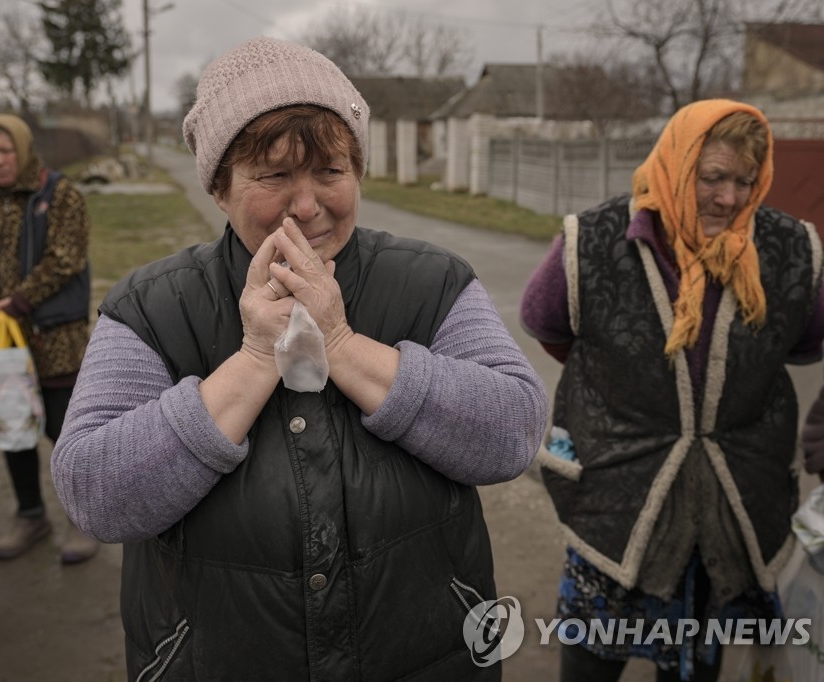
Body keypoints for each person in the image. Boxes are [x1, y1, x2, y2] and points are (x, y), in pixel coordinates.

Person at [51, 37, 547, 681]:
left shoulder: (432, 284)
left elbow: (513, 432)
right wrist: (257, 355)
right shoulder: (152, 308)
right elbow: (95, 493)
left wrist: (340, 345)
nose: (307, 205)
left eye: (330, 172)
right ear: (219, 188)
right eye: (273, 175)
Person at [520, 99, 824, 681]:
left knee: (697, 659)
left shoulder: (788, 251)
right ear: (676, 166)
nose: (730, 198)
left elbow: (804, 344)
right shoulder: (594, 241)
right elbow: (546, 322)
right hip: (621, 497)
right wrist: (625, 383)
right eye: (713, 177)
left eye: (745, 180)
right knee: (592, 655)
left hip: (731, 502)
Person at [0, 113, 98, 564]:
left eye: (5, 151)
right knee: (13, 428)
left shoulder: (60, 194)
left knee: (62, 428)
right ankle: (30, 515)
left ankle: (82, 516)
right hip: (2, 341)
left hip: (54, 338)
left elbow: (66, 257)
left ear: (23, 149)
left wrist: (15, 302)